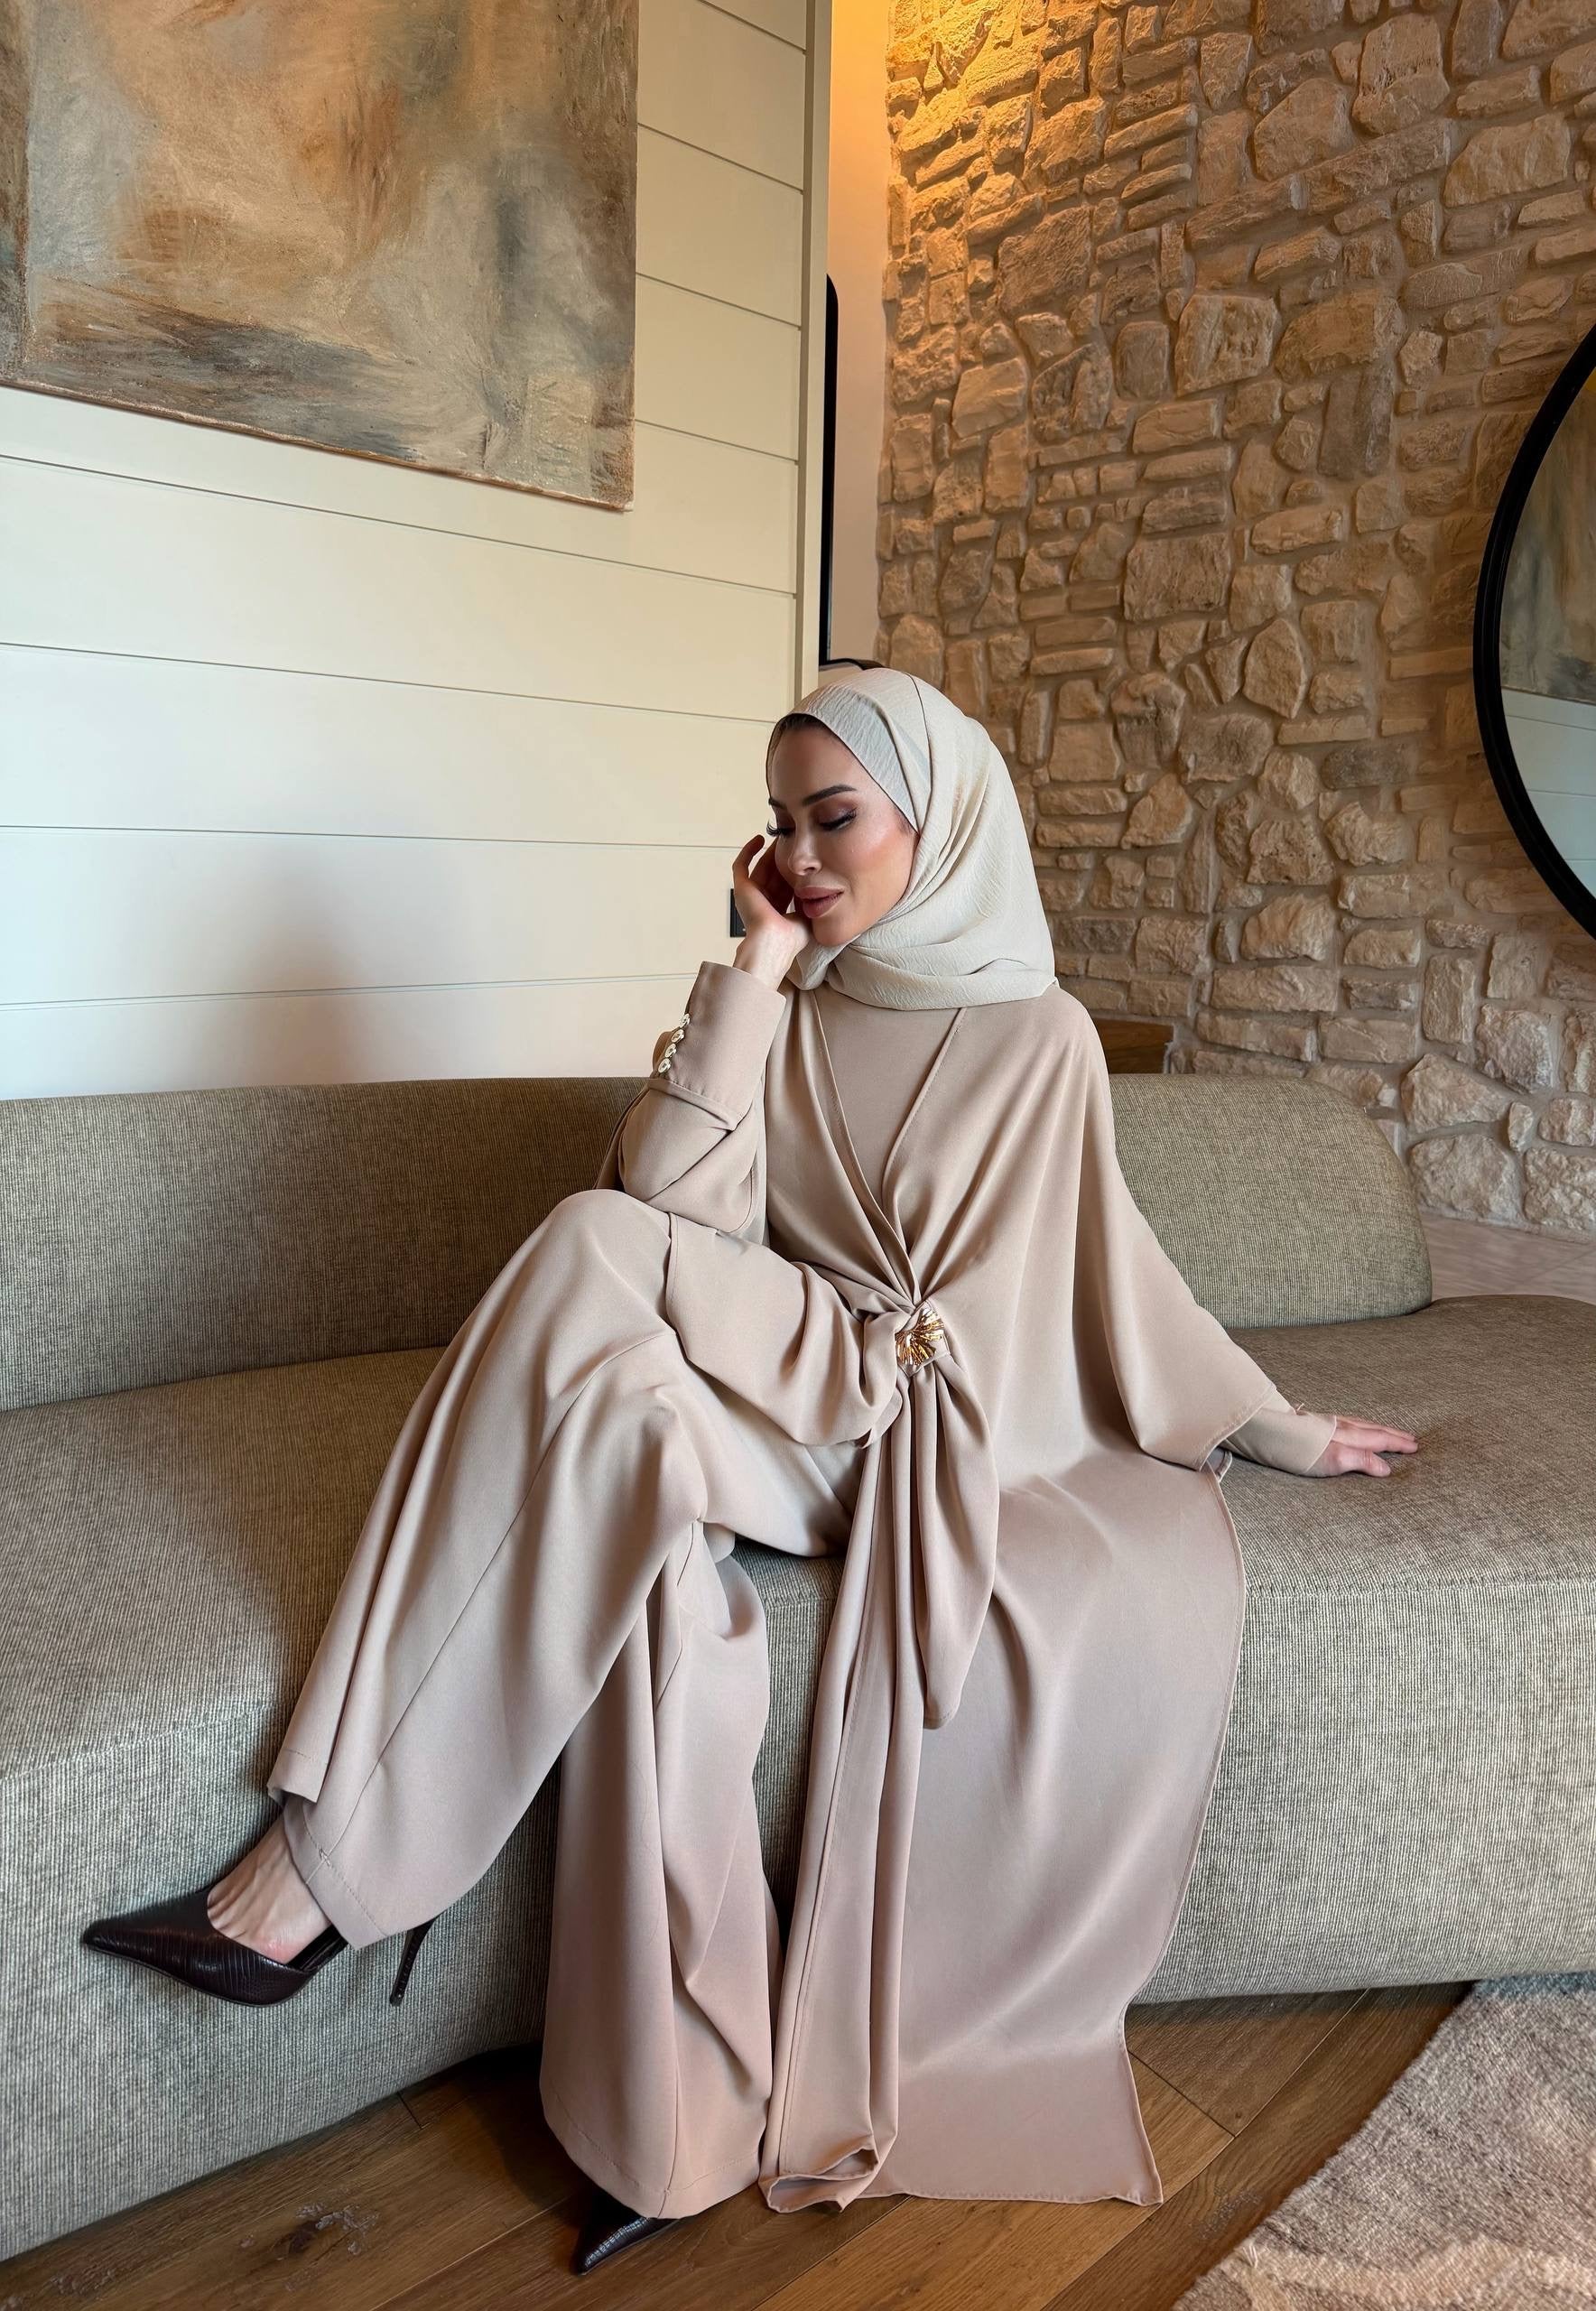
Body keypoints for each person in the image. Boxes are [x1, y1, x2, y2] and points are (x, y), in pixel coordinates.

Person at [81, 668, 1417, 2275]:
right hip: (785, 1393)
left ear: (938, 819)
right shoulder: (787, 1007)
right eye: (780, 823)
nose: (798, 855)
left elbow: (1114, 1262)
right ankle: (663, 2126)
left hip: (918, 1426)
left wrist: (1265, 1419)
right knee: (628, 1467)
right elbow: (677, 1209)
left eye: (834, 818)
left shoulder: (1041, 1035)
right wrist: (756, 974)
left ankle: (321, 1868)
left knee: (592, 1247)